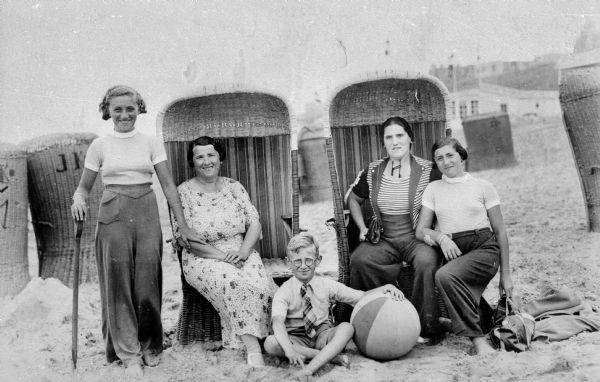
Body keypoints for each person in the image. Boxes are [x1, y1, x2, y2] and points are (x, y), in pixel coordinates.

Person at [71, 85, 203, 378]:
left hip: (145, 209)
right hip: (112, 211)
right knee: (119, 285)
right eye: (117, 109)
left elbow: (168, 186)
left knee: (147, 282)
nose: (124, 115)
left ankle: (150, 346)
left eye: (130, 108)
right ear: (108, 111)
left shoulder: (151, 142)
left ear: (139, 109)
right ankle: (128, 352)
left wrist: (182, 222)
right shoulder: (99, 146)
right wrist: (78, 200)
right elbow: (83, 188)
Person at [171, 136, 276, 367]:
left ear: (220, 158)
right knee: (234, 283)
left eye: (211, 155)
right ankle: (253, 348)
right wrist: (224, 258)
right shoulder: (183, 193)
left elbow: (254, 223)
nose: (206, 161)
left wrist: (243, 252)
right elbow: (185, 239)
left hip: (241, 251)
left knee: (261, 284)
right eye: (199, 156)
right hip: (203, 256)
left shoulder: (234, 186)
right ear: (192, 161)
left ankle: (271, 339)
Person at [346, 116, 444, 340]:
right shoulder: (372, 171)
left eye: (400, 135)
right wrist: (361, 227)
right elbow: (353, 199)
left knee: (427, 261)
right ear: (383, 142)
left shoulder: (429, 170)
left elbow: (444, 199)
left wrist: (437, 232)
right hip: (385, 238)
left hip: (417, 237)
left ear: (410, 139)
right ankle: (384, 317)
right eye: (389, 137)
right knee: (360, 260)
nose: (395, 141)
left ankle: (423, 327)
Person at [416, 136, 514, 355]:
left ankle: (478, 341)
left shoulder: (483, 186)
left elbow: (500, 231)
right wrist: (441, 238)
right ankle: (486, 323)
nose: (446, 161)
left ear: (461, 156)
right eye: (439, 158)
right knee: (454, 281)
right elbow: (421, 230)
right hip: (455, 252)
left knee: (445, 276)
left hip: (485, 250)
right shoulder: (433, 189)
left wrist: (505, 275)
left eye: (450, 155)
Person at [264, 232, 404, 377]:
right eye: (297, 261)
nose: (304, 266)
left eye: (309, 260)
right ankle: (331, 357)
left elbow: (359, 296)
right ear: (289, 263)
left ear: (318, 261)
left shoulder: (326, 284)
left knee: (347, 328)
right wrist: (289, 350)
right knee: (270, 343)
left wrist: (384, 288)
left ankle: (310, 368)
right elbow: (278, 323)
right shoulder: (284, 291)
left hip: (323, 335)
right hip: (296, 339)